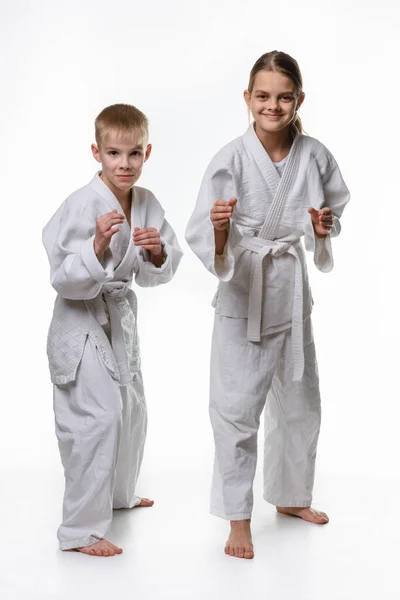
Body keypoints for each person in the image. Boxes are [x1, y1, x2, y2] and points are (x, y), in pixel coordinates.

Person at [185, 51, 350, 560]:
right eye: (263, 96)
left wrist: (324, 228)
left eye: (283, 96)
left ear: (299, 99)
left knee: (300, 401)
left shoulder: (315, 154)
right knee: (237, 409)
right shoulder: (230, 158)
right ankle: (238, 519)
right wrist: (218, 230)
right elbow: (202, 231)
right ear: (247, 99)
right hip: (245, 291)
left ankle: (291, 497)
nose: (273, 105)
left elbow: (333, 211)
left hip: (290, 291)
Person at [43, 103, 183, 557]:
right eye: (114, 154)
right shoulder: (81, 203)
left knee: (131, 409)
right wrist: (95, 246)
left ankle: (119, 496)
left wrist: (158, 251)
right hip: (81, 320)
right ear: (96, 153)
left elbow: (155, 270)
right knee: (97, 418)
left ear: (147, 153)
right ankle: (79, 530)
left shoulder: (147, 203)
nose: (124, 164)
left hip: (119, 318)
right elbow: (61, 276)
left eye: (134, 154)